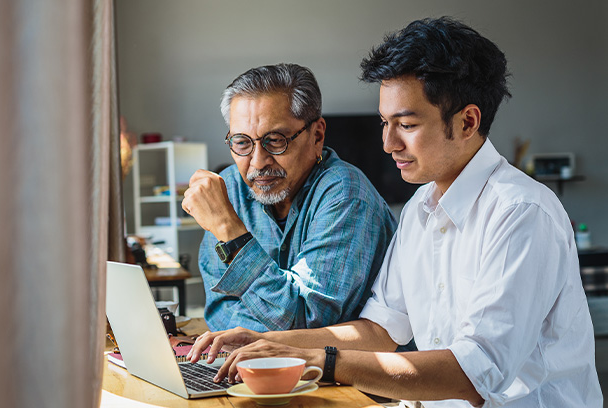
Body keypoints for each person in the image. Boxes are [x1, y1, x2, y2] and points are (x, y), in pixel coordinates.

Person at [186, 17, 603, 407]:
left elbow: (476, 373)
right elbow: (380, 331)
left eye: (406, 124)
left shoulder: (521, 213)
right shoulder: (421, 208)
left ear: (467, 122)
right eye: (384, 124)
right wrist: (267, 343)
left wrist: (321, 360)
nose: (388, 144)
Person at [181, 63, 397, 332]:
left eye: (275, 140)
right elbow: (220, 308)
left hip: (344, 372)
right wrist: (258, 339)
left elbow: (306, 319)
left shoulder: (346, 194)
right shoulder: (230, 189)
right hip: (257, 366)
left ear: (316, 135)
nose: (258, 162)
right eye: (242, 142)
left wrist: (230, 231)